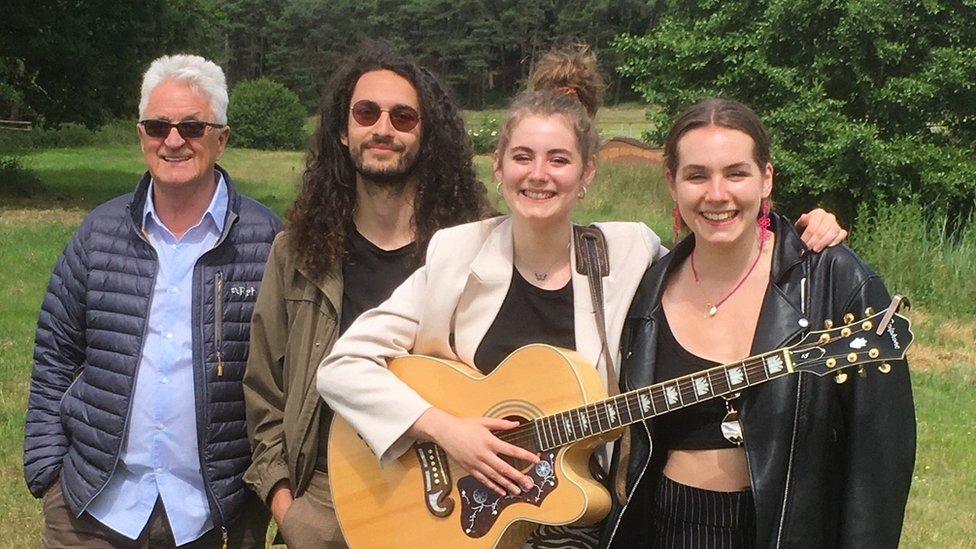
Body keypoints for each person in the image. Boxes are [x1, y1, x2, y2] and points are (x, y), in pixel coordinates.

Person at [317, 53, 847, 546]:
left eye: (559, 160)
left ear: (586, 174)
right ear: (498, 168)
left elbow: (718, 239)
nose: (539, 175)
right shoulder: (457, 254)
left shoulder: (628, 252)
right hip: (462, 512)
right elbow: (340, 367)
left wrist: (791, 230)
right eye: (522, 157)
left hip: (586, 524)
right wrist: (447, 430)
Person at [601, 98, 916, 548]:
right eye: (696, 175)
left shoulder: (832, 279)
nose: (716, 194)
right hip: (669, 525)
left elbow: (880, 461)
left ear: (766, 177)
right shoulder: (648, 286)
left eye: (736, 173)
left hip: (788, 531)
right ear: (672, 183)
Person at [23, 54, 280, 547]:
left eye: (192, 126)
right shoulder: (99, 234)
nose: (174, 140)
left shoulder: (268, 241)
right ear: (142, 135)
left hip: (217, 513)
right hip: (94, 507)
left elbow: (291, 377)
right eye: (159, 126)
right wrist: (48, 471)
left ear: (221, 137)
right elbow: (55, 353)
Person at [242, 42, 490, 548]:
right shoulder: (298, 254)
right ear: (343, 129)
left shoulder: (474, 252)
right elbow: (263, 393)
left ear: (427, 136)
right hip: (326, 500)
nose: (383, 129)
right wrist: (288, 508)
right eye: (366, 112)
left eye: (403, 117)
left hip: (448, 497)